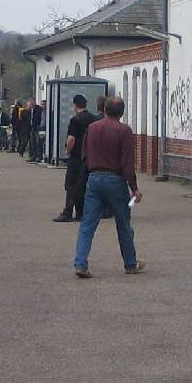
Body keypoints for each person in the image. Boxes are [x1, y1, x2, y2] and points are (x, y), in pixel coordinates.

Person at [73, 96, 146, 278]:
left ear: (104, 110)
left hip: (94, 178)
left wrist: (92, 169)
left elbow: (84, 154)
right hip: (115, 180)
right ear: (121, 112)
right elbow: (127, 163)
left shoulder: (92, 128)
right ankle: (130, 263)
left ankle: (81, 264)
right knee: (123, 223)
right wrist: (134, 188)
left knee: (87, 224)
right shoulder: (124, 131)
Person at [55, 94, 96, 222]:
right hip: (88, 157)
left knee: (70, 184)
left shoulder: (75, 120)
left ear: (75, 105)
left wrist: (68, 150)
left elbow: (71, 138)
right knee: (82, 185)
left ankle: (67, 212)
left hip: (76, 156)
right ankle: (80, 212)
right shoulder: (93, 119)